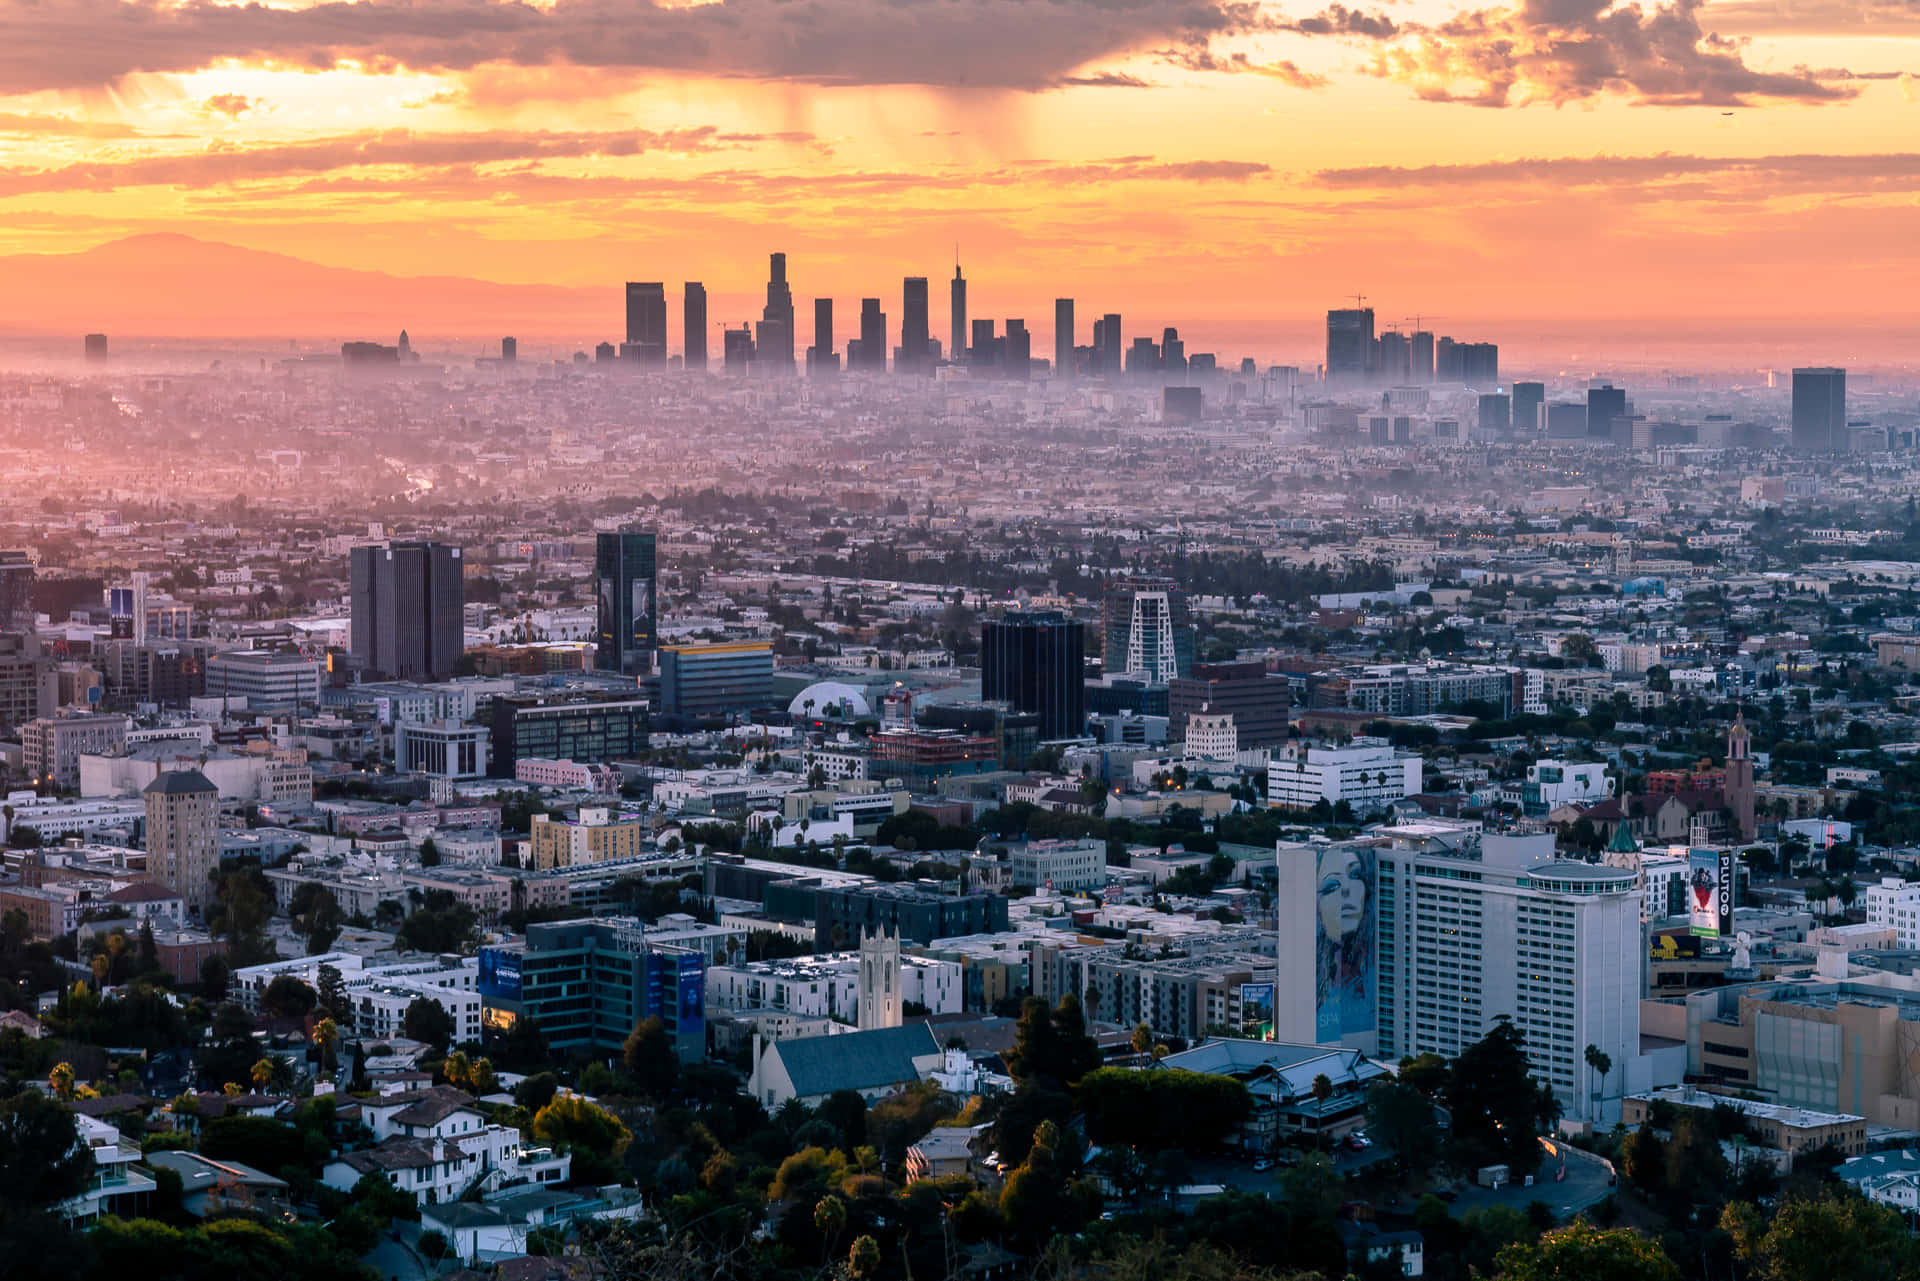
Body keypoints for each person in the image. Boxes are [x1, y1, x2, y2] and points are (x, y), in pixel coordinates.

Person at [1315, 845, 1375, 1039]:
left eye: (1356, 875)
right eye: (1332, 886)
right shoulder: (1318, 989)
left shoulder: (1373, 976)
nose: (1347, 890)